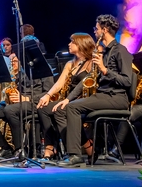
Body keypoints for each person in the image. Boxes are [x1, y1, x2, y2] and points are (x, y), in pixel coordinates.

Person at [57, 14, 133, 167]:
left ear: (104, 30)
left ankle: (75, 155)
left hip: (116, 97)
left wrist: (105, 70)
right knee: (64, 108)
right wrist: (68, 98)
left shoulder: (121, 51)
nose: (95, 31)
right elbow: (86, 80)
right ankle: (90, 148)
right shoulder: (104, 52)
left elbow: (127, 81)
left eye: (96, 28)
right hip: (103, 96)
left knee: (72, 108)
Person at [36, 33, 94, 159]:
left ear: (81, 44)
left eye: (72, 42)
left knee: (60, 110)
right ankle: (50, 146)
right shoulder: (70, 64)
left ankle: (73, 149)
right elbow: (59, 83)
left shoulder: (91, 63)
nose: (69, 44)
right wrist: (47, 95)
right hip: (67, 100)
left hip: (82, 100)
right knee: (42, 108)